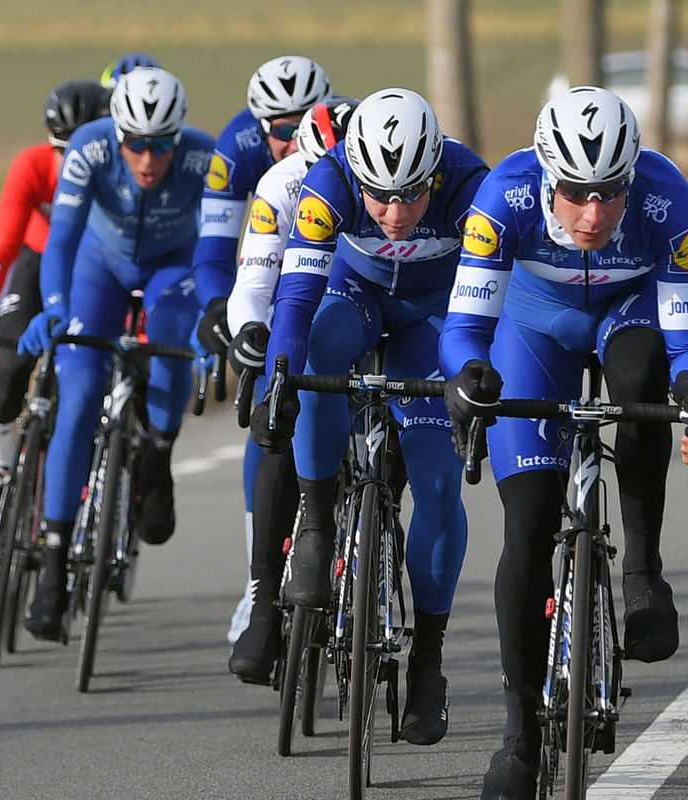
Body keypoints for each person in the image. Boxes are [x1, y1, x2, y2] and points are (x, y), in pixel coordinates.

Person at [437, 86, 688, 800]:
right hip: (537, 328)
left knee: (642, 377)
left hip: (629, 317)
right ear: (545, 176)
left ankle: (642, 572)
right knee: (530, 523)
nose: (594, 213)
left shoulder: (668, 200)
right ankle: (518, 735)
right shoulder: (502, 198)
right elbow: (466, 330)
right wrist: (466, 375)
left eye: (610, 192)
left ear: (632, 177)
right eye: (574, 193)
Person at [264, 88, 489, 744]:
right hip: (354, 296)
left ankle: (429, 660)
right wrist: (279, 379)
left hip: (435, 316)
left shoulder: (470, 183)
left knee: (439, 483)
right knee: (316, 354)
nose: (394, 213)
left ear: (436, 175)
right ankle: (315, 521)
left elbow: (490, 296)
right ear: (354, 173)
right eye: (379, 196)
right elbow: (297, 293)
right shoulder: (328, 179)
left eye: (411, 195)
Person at [17, 67, 216, 640]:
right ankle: (54, 568)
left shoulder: (205, 157)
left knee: (175, 346)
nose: (148, 159)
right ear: (117, 133)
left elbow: (222, 246)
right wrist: (53, 307)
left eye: (161, 146)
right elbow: (62, 240)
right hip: (98, 268)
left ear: (178, 137)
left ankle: (158, 455)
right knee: (77, 399)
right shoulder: (89, 146)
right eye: (136, 144)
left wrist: (216, 318)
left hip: (173, 265)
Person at [186, 55, 332, 652]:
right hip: (268, 271)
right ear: (258, 125)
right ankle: (259, 584)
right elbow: (218, 250)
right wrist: (222, 314)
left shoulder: (341, 134)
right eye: (279, 127)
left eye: (301, 122)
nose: (291, 136)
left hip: (338, 280)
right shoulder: (238, 149)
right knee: (269, 418)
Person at [222, 95, 358, 685]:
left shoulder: (379, 190)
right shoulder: (280, 183)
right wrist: (251, 331)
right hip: (299, 303)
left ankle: (377, 544)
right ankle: (261, 594)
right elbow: (253, 283)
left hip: (370, 308)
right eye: (313, 175)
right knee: (276, 420)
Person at [0, 78, 111, 530]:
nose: (68, 162)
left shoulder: (114, 170)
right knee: (10, 365)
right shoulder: (31, 165)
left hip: (92, 268)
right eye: (61, 149)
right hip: (36, 263)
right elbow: (2, 247)